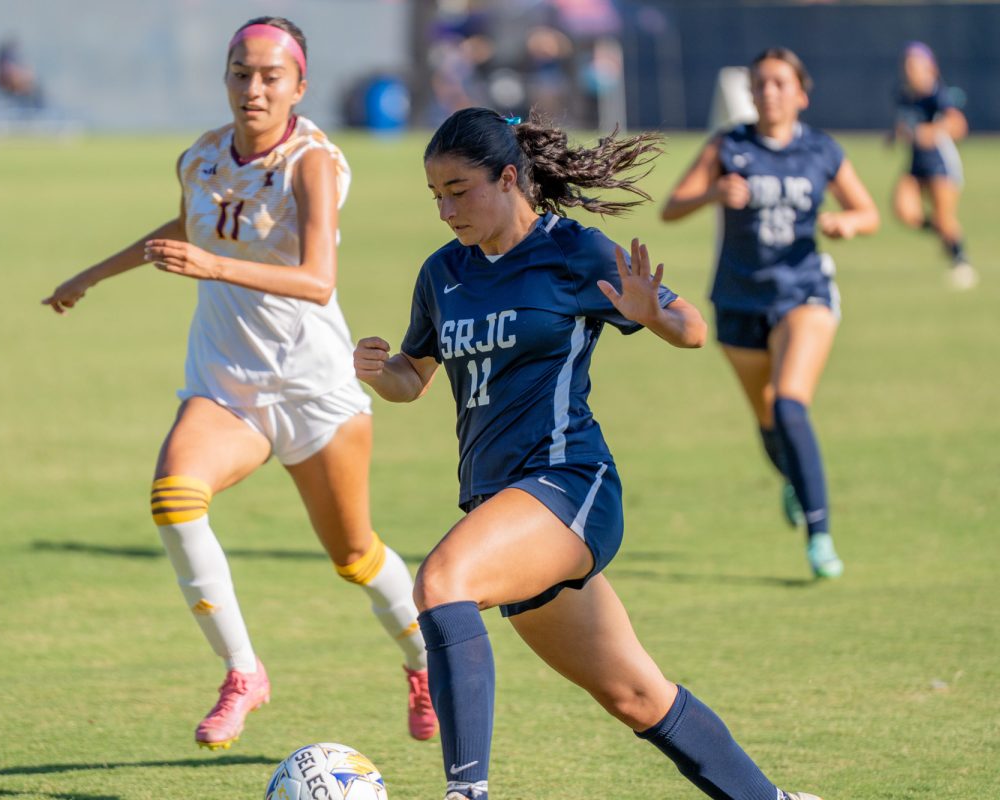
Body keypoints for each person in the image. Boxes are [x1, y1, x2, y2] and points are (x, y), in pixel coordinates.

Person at [354, 106, 825, 800]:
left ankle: (466, 793)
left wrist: (653, 313)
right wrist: (379, 369)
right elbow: (412, 378)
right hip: (505, 511)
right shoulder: (442, 274)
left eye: (459, 190)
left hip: (571, 484)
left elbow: (692, 328)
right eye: (436, 195)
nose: (446, 209)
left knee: (442, 583)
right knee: (638, 695)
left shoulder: (571, 251)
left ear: (508, 177)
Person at [41, 16, 436, 749]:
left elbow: (318, 280)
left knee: (355, 558)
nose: (253, 88)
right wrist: (90, 276)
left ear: (299, 86)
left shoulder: (312, 161)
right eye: (240, 72)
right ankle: (243, 672)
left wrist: (216, 267)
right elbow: (192, 226)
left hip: (316, 389)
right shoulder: (200, 157)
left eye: (269, 76)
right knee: (173, 498)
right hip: (226, 388)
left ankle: (423, 664)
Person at [661, 47, 879, 579]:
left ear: (801, 94)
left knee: (788, 405)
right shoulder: (728, 145)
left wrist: (848, 223)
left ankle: (819, 533)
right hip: (737, 300)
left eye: (780, 83)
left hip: (803, 292)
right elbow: (671, 208)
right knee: (767, 418)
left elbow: (866, 209)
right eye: (761, 83)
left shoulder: (822, 150)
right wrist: (712, 193)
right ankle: (794, 479)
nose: (769, 92)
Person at [890, 41, 975, 289]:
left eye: (916, 66)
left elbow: (958, 125)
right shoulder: (904, 95)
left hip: (940, 163)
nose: (911, 70)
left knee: (944, 217)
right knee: (904, 212)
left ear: (930, 68)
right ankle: (943, 234)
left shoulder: (938, 95)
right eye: (908, 65)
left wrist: (932, 131)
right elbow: (906, 125)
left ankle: (961, 261)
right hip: (916, 165)